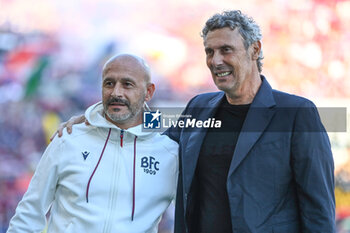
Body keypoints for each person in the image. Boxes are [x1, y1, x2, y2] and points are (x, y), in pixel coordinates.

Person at [53, 10, 336, 233]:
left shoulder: (297, 114)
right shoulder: (198, 108)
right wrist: (96, 117)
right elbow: (148, 125)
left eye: (226, 50)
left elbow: (318, 211)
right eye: (209, 52)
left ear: (254, 49)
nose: (215, 61)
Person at [7, 54, 179, 233]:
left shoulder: (170, 153)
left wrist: (157, 121)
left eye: (127, 84)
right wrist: (91, 117)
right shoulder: (68, 139)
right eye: (109, 83)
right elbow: (28, 216)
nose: (116, 92)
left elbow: (204, 116)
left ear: (149, 92)